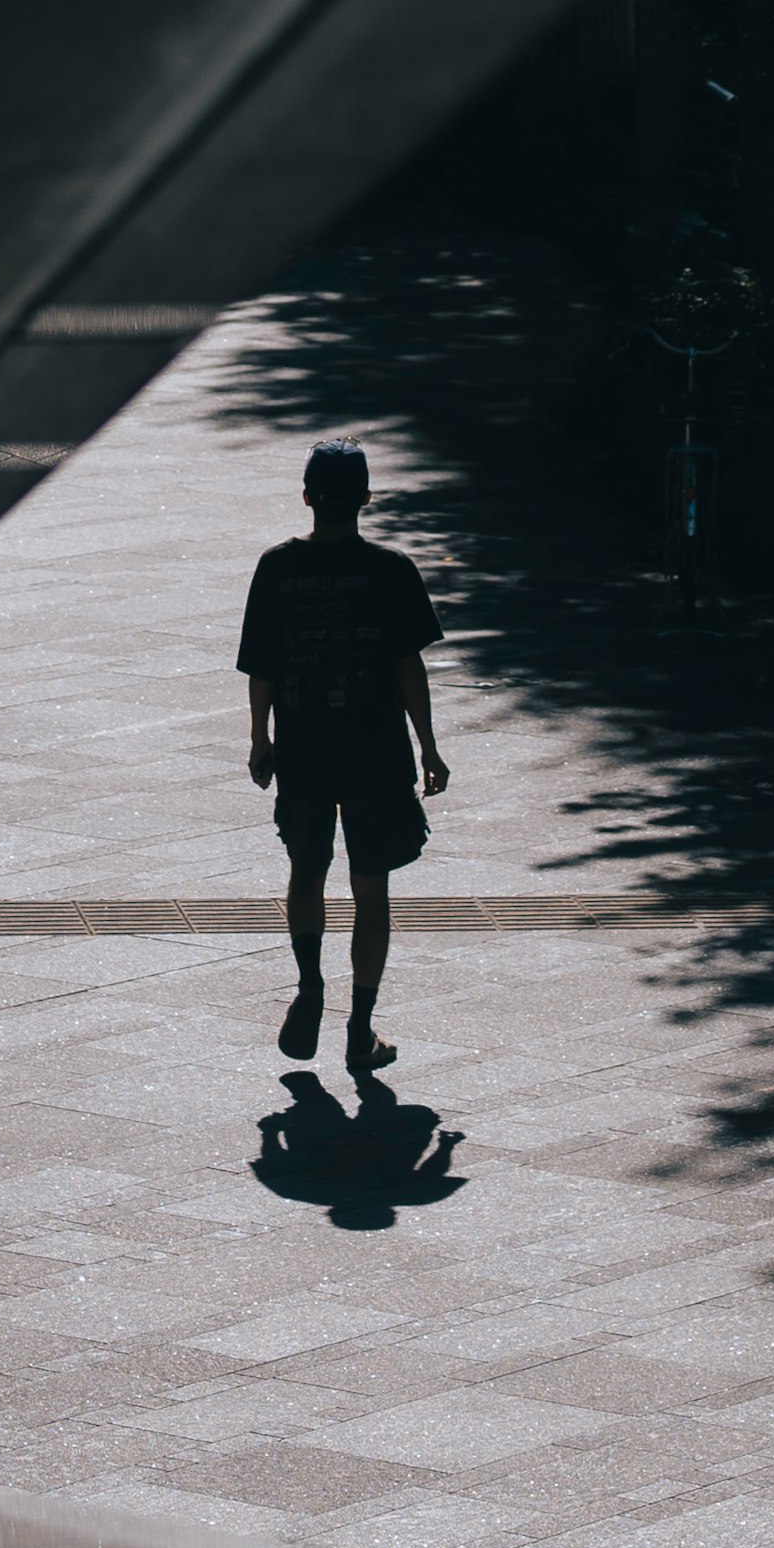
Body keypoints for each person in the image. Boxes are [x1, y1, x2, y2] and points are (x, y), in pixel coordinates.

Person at [241, 441, 449, 1081]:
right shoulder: (390, 569)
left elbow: (263, 667)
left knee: (307, 872)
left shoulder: (277, 568)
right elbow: (407, 666)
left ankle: (310, 984)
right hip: (375, 749)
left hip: (303, 741)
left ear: (306, 496)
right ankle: (361, 1028)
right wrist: (428, 746)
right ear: (366, 497)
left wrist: (259, 737)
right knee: (371, 888)